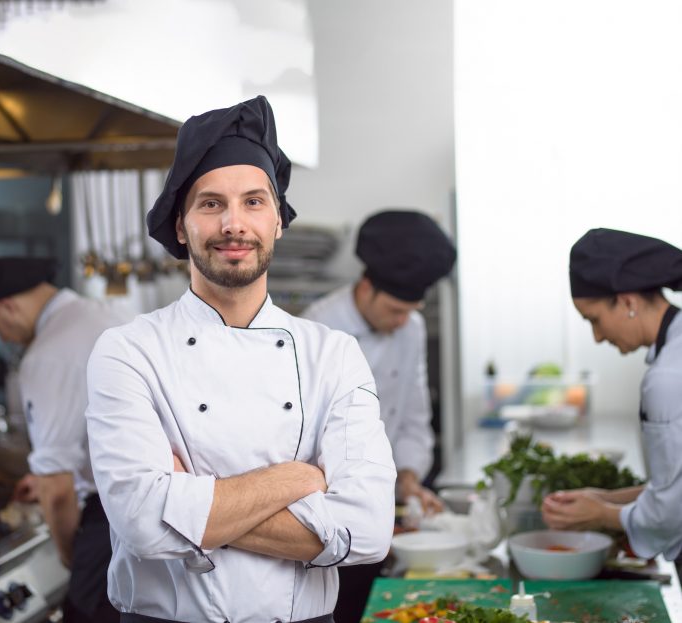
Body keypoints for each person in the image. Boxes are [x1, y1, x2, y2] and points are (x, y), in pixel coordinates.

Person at [85, 95, 396, 623]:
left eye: (254, 202)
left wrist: (185, 503)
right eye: (211, 204)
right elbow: (138, 521)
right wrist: (297, 480)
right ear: (181, 228)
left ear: (278, 221)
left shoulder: (334, 355)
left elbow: (368, 531)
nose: (234, 224)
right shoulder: (128, 351)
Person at [0, 257, 131, 623]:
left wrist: (70, 555)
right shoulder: (101, 315)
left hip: (111, 525)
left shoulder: (46, 355)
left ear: (8, 305)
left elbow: (58, 488)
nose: (2, 337)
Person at [301, 210, 455, 621]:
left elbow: (412, 417)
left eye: (411, 310)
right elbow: (302, 441)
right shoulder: (316, 330)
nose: (402, 321)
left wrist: (407, 476)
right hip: (330, 513)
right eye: (394, 310)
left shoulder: (412, 328)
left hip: (385, 507)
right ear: (366, 287)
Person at [542, 228, 682, 565]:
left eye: (595, 319)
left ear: (628, 302)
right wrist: (607, 498)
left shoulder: (667, 377)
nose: (597, 336)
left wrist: (603, 514)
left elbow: (673, 509)